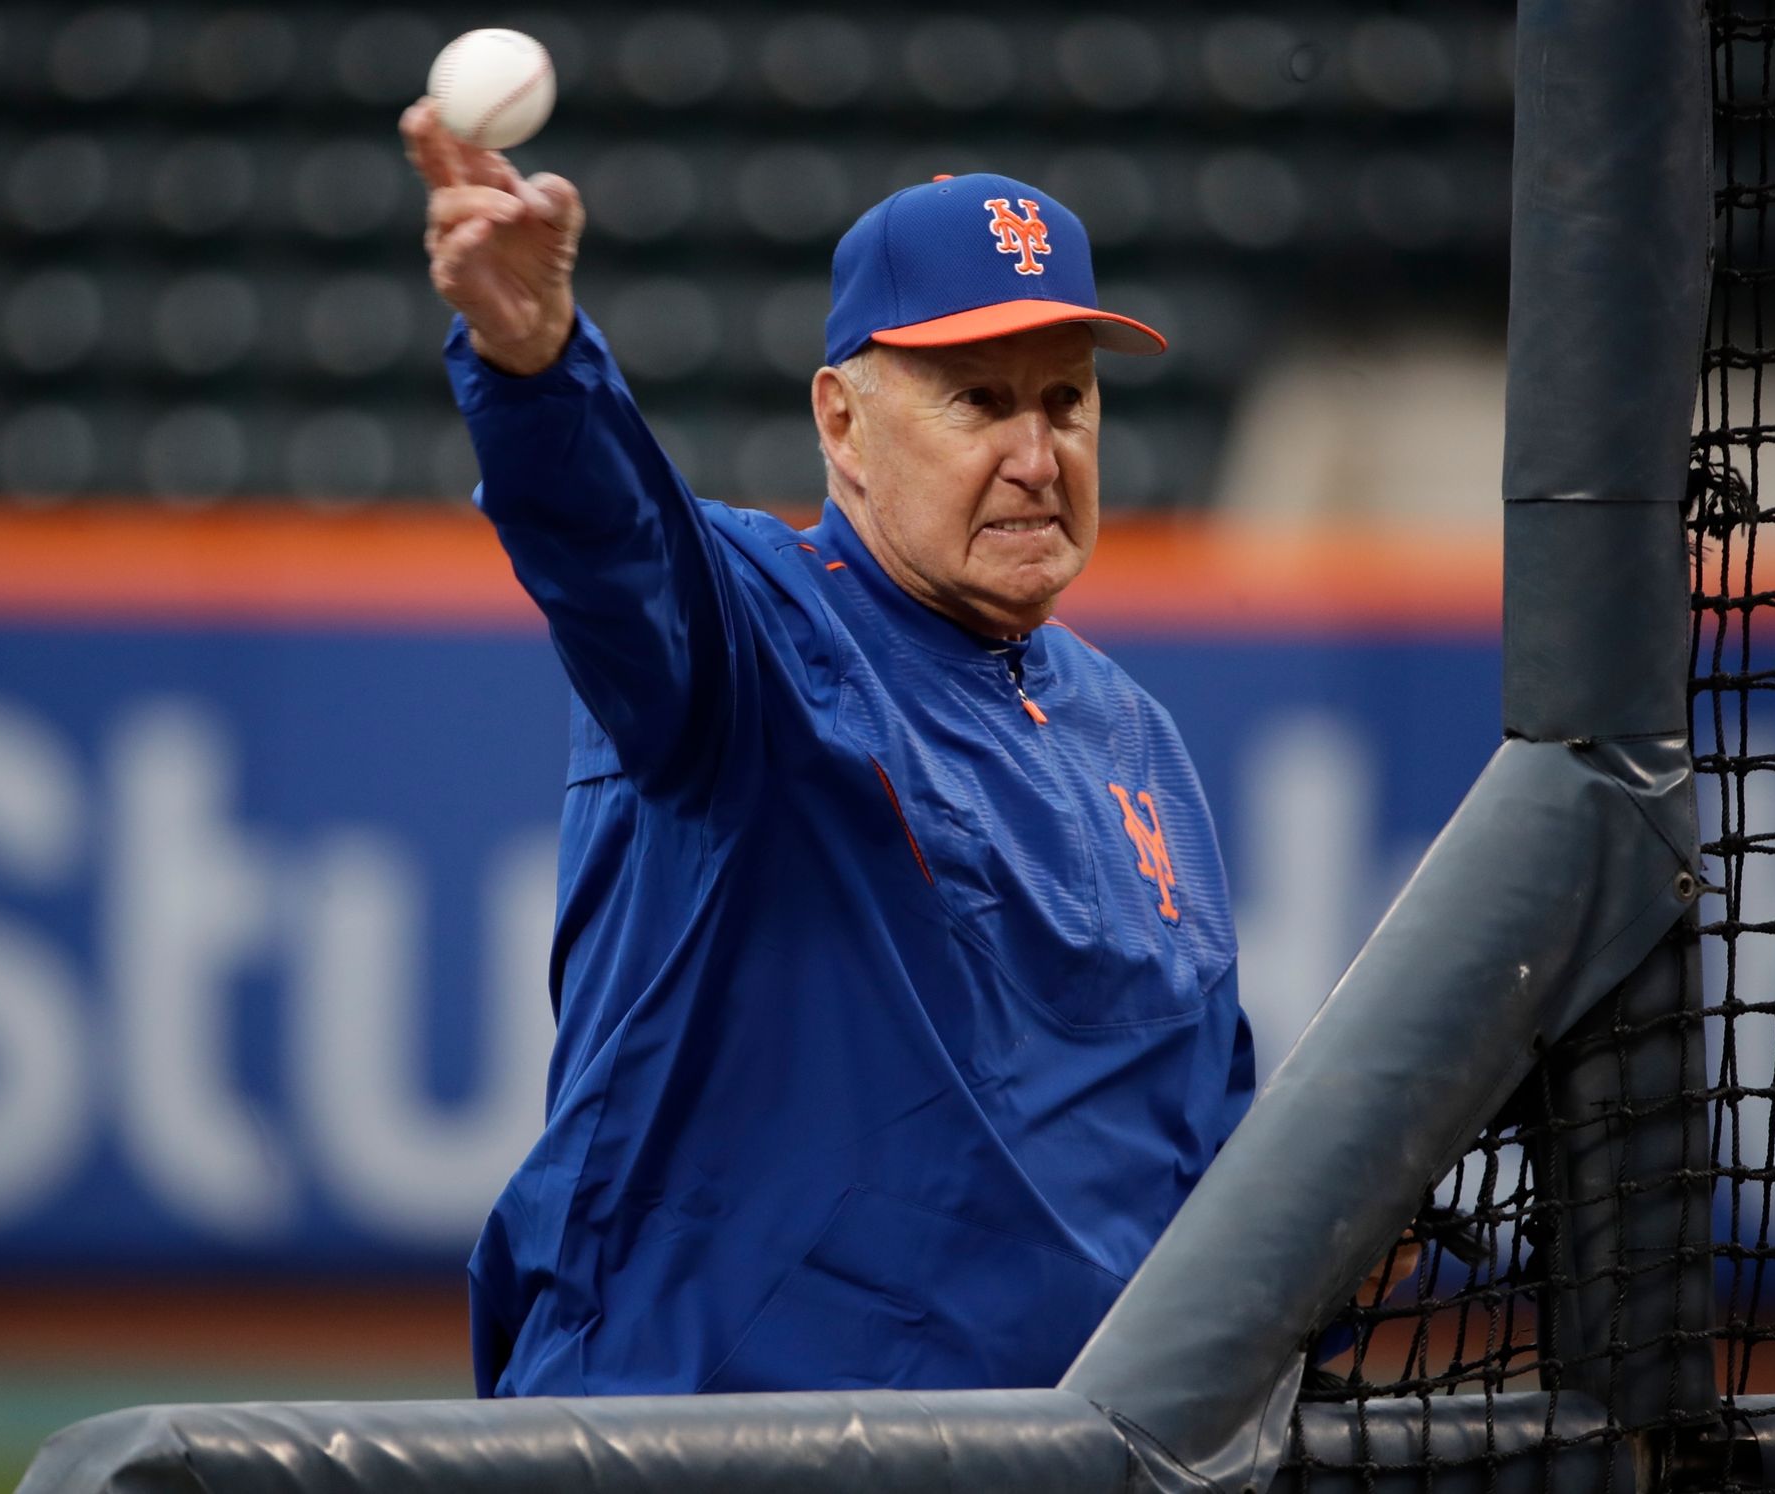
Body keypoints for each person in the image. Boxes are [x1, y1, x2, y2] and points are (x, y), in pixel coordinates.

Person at [402, 100, 1256, 1399]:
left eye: (1066, 400)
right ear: (843, 426)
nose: (1037, 455)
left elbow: (1203, 1136)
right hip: (693, 1448)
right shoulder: (763, 641)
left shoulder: (1135, 736)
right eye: (979, 398)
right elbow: (616, 552)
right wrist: (538, 367)